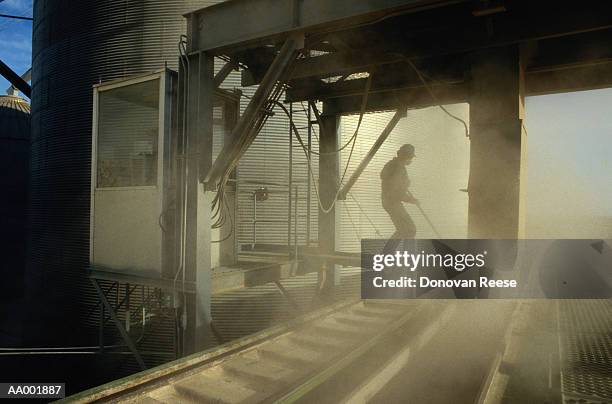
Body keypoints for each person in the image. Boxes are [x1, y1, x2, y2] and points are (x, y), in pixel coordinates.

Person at [380, 144, 419, 241]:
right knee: (410, 229)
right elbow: (395, 191)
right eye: (411, 158)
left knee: (403, 230)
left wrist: (404, 185)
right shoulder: (398, 168)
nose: (411, 160)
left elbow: (395, 187)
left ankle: (387, 254)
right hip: (393, 202)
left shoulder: (392, 164)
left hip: (389, 202)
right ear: (407, 157)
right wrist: (411, 200)